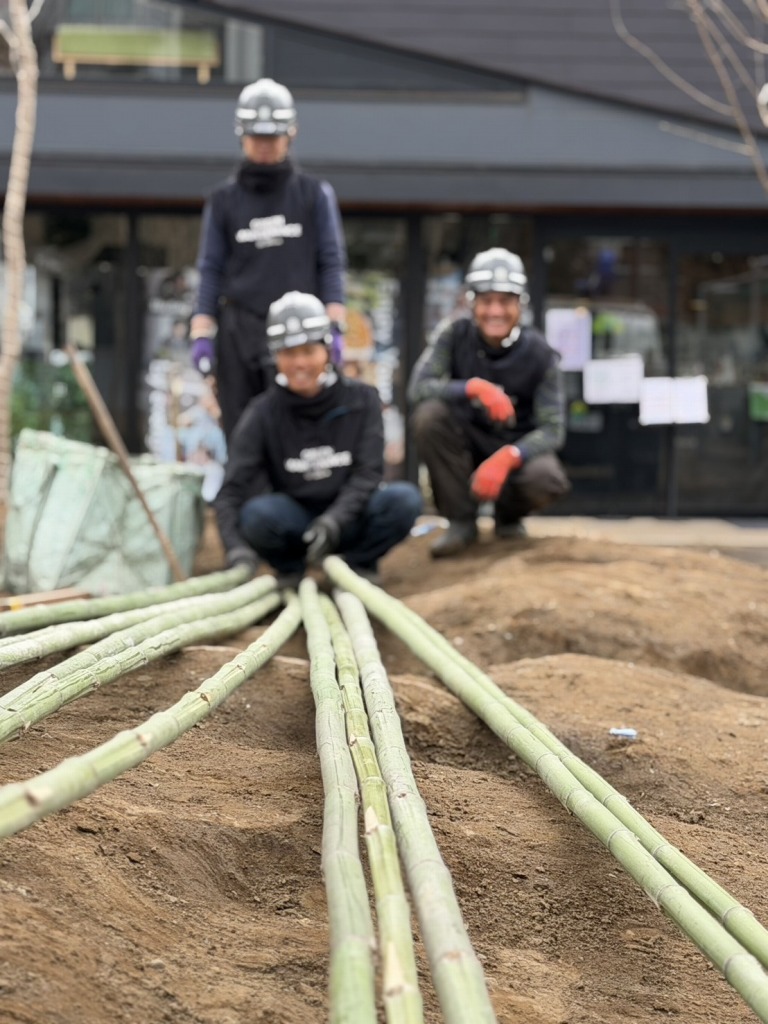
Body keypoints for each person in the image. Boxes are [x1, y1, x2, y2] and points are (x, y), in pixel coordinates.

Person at [214, 291, 423, 586]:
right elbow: (231, 489)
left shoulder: (362, 400)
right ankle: (293, 571)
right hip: (296, 523)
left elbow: (368, 474)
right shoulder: (262, 412)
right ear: (276, 356)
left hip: (350, 519)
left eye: (308, 351)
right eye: (289, 353)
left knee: (404, 500)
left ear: (327, 350)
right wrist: (236, 551)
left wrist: (333, 522)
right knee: (257, 516)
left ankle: (357, 564)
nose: (300, 363)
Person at [189, 78, 347, 439]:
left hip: (301, 333)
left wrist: (334, 325)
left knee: (295, 431)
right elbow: (210, 268)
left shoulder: (313, 195)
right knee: (242, 431)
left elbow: (331, 262)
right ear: (241, 135)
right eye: (256, 137)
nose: (264, 146)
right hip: (239, 330)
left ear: (290, 134)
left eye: (272, 138)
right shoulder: (224, 201)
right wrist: (202, 332)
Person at [408, 247, 570, 558]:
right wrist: (473, 388)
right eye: (486, 301)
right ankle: (460, 521)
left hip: (515, 450)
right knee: (428, 416)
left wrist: (508, 457)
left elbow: (553, 430)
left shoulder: (540, 354)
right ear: (472, 303)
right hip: (464, 442)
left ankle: (508, 518)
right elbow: (418, 389)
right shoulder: (453, 334)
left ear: (519, 304)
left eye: (505, 301)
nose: (495, 311)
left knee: (547, 479)